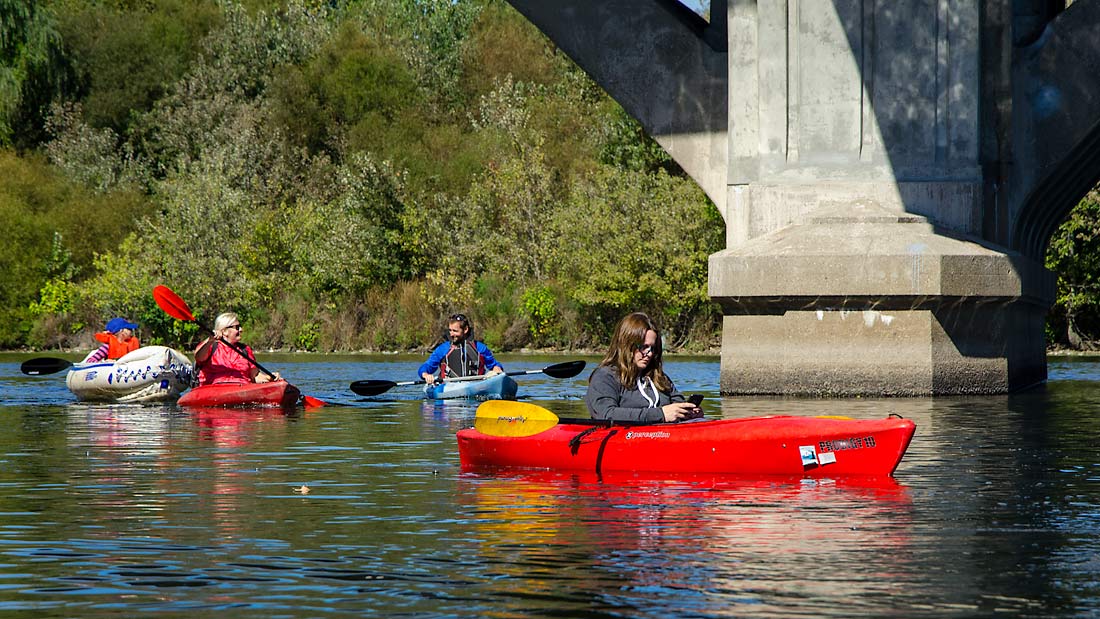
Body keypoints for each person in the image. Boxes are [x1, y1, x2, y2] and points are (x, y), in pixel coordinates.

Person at [584, 312, 701, 423]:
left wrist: (688, 413)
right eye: (643, 347)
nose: (649, 353)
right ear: (626, 345)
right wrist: (661, 414)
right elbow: (606, 414)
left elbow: (677, 403)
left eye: (652, 348)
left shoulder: (659, 378)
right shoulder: (605, 376)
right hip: (624, 436)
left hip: (663, 435)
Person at [193, 312, 279, 386]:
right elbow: (199, 357)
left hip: (243, 389)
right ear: (225, 331)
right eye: (237, 327)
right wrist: (210, 340)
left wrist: (269, 378)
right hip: (214, 389)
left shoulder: (245, 350)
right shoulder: (210, 346)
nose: (241, 330)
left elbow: (255, 376)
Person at [418, 313, 504, 384]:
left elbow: (494, 365)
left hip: (476, 385)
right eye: (450, 330)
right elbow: (426, 367)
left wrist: (497, 368)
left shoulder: (480, 348)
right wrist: (426, 375)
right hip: (448, 388)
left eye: (455, 331)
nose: (451, 334)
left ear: (465, 329)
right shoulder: (443, 349)